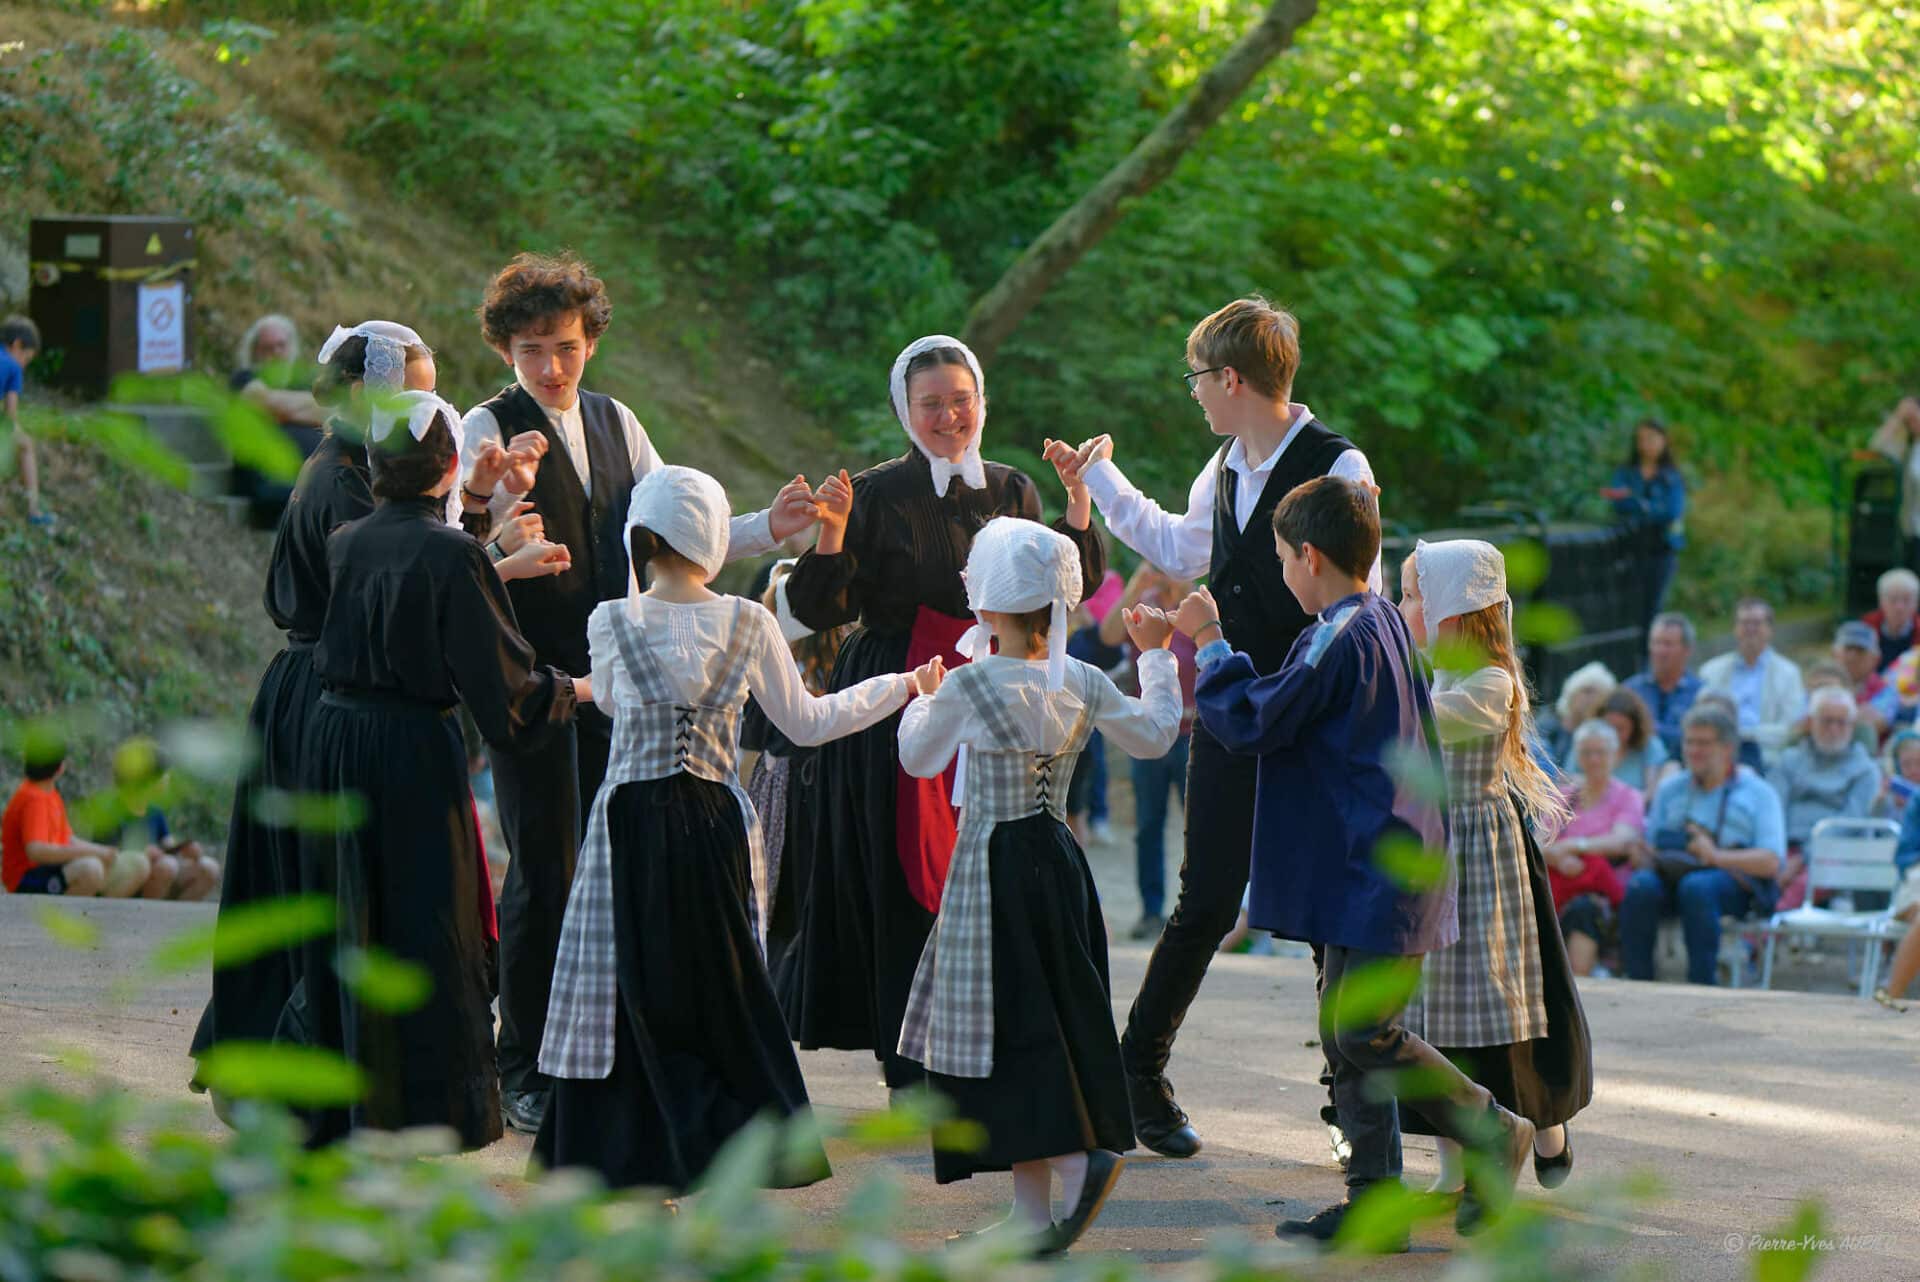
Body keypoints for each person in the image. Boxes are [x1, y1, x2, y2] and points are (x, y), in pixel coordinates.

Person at [461, 253, 818, 1135]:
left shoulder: (619, 420)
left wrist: (763, 529)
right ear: (506, 348)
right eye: (532, 347)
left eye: (566, 346)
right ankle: (524, 1064)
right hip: (535, 681)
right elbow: (450, 546)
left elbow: (673, 536)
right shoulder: (484, 426)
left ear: (591, 342)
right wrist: (497, 528)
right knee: (543, 868)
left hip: (628, 689)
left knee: (607, 869)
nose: (551, 365)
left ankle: (605, 1056)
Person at [1043, 296, 1378, 1160]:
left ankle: (1350, 1109)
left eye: (1197, 377)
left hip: (1311, 718)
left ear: (1231, 378)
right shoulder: (1222, 468)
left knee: (1327, 911)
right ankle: (1138, 1071)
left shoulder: (1339, 465)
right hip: (1232, 709)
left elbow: (1355, 601)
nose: (1192, 393)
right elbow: (1182, 546)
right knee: (1205, 902)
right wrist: (1097, 480)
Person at [534, 467, 927, 1193]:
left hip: (632, 820)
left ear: (639, 537)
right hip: (713, 818)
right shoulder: (749, 621)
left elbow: (616, 704)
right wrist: (900, 686)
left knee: (630, 988)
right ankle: (729, 1151)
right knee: (724, 988)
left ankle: (630, 1162)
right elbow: (810, 722)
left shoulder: (611, 619)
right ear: (714, 538)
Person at [189, 321, 556, 1082]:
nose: (428, 410)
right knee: (332, 889)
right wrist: (498, 565)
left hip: (325, 686)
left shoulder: (354, 464)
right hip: (326, 695)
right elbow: (392, 579)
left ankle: (300, 1057)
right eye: (417, 394)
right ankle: (297, 1058)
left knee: (331, 885)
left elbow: (418, 545)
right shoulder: (343, 477)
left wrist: (483, 501)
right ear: (366, 393)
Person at [1176, 477, 1536, 1250]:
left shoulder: (1341, 634)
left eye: (1280, 558)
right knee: (1349, 1033)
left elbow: (1258, 717)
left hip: (1379, 866)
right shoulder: (1376, 621)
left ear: (1310, 556)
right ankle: (1374, 1202)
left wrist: (1209, 644)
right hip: (1363, 864)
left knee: (1362, 1029)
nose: (1279, 573)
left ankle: (1492, 1126)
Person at [780, 334, 1104, 1095]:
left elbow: (1067, 590)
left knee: (991, 865)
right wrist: (831, 533)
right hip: (902, 687)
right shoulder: (874, 492)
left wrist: (1078, 504)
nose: (949, 416)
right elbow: (815, 609)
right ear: (905, 410)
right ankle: (910, 1056)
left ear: (981, 402)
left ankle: (991, 1034)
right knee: (901, 875)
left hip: (998, 691)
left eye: (961, 400)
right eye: (931, 403)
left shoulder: (1016, 489)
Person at [294, 390, 585, 1151]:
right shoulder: (451, 552)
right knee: (428, 920)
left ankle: (333, 1103)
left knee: (352, 910)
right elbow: (504, 688)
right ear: (451, 467)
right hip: (410, 751)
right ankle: (424, 1113)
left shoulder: (349, 539)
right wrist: (573, 689)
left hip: (336, 740)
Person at [896, 517, 1181, 1254]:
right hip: (1056, 861)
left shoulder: (969, 682)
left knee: (1005, 1029)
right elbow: (1153, 736)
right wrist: (1156, 661)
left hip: (991, 865)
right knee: (1045, 1020)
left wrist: (923, 699)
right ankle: (1029, 1211)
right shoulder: (1080, 679)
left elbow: (920, 759)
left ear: (987, 604)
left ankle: (1074, 1160)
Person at [1397, 539, 1592, 1233]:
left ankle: (1540, 1128)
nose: (1402, 608)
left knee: (1502, 1008)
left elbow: (1418, 725)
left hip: (1484, 859)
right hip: (1438, 856)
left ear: (1451, 609)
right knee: (1436, 1018)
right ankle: (1453, 1172)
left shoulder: (1487, 683)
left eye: (1413, 597)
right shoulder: (1428, 671)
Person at [1618, 705, 1785, 985]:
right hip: (1673, 873)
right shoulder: (1671, 789)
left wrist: (1716, 856)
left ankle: (1702, 986)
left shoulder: (1758, 792)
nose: (1694, 750)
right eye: (1689, 742)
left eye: (1704, 743)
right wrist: (1641, 854)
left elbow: (1770, 862)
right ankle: (1638, 983)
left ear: (1728, 748)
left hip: (1731, 882)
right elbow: (1653, 844)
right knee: (1640, 886)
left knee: (1697, 888)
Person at [1098, 562, 1199, 940]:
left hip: (1195, 735)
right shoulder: (1146, 606)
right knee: (1148, 827)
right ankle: (1151, 911)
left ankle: (1195, 909)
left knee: (1200, 827)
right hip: (1154, 733)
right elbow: (1107, 635)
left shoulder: (1198, 608)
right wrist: (1136, 585)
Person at [1768, 687, 1881, 911]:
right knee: (1761, 869)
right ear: (1811, 723)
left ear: (1853, 726)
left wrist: (1803, 857)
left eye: (1842, 723)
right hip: (1784, 846)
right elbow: (1773, 810)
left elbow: (1851, 821)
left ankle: (1763, 937)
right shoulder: (1788, 760)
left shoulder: (1866, 770)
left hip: (1836, 852)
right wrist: (1778, 853)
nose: (1834, 729)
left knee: (1805, 882)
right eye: (1827, 721)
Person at [1545, 721, 1642, 977]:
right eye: (1587, 752)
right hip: (1559, 879)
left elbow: (1621, 841)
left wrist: (1572, 847)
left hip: (1604, 890)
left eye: (1601, 752)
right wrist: (1556, 858)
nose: (1594, 759)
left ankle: (1581, 983)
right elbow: (1537, 842)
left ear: (1614, 755)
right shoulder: (1564, 797)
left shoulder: (1627, 796)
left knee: (1583, 909)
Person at [4, 738, 151, 897]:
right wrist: (92, 853)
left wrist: (100, 851)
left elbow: (67, 838)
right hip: (28, 878)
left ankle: (98, 912)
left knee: (137, 862)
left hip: (53, 869)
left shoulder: (50, 795)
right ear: (61, 768)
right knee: (90, 868)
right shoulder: (33, 798)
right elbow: (36, 851)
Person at [229, 314, 328, 525]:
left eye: (281, 346)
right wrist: (307, 407)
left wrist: (282, 408)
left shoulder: (304, 382)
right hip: (271, 485)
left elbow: (330, 411)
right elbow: (260, 400)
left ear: (290, 348)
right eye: (267, 348)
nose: (276, 354)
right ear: (255, 352)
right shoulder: (244, 379)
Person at [1699, 597, 1806, 767]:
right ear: (1735, 629)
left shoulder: (1789, 674)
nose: (1750, 629)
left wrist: (1745, 735)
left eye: (1756, 623)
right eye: (1744, 623)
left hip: (1768, 757)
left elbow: (1791, 729)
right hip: (1717, 755)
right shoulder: (1711, 671)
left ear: (1770, 629)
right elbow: (1701, 720)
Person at [1602, 416, 1686, 624]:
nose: (1645, 444)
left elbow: (1672, 511)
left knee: (1652, 609)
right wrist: (1647, 506)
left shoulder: (1672, 476)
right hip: (1629, 550)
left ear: (1663, 440)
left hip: (1661, 551)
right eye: (1641, 439)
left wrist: (1641, 505)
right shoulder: (1626, 472)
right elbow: (1619, 502)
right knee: (1626, 608)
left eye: (1651, 438)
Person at [1622, 612, 1703, 760]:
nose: (1660, 651)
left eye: (1667, 644)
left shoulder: (1701, 694)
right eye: (1656, 643)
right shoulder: (1630, 690)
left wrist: (1651, 729)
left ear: (1687, 650)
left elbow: (1699, 741)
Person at [1, 315, 50, 526]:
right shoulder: (12, 367)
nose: (24, 365)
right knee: (25, 446)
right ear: (17, 346)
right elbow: (10, 414)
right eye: (27, 358)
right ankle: (34, 510)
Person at [1578, 687, 1671, 797]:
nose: (1613, 734)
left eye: (1620, 728)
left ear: (1634, 728)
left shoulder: (1650, 747)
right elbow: (1567, 782)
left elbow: (1650, 794)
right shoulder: (1585, 742)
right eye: (1608, 727)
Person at [1867, 397, 1920, 572]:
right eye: (1909, 420)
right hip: (1913, 532)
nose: (1912, 423)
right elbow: (1877, 448)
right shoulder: (1909, 449)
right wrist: (1898, 416)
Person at [1827, 622, 1902, 741]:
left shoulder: (1886, 690)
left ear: (1876, 659)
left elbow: (1874, 725)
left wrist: (1825, 717)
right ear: (1834, 654)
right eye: (1848, 648)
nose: (1852, 656)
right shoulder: (1819, 684)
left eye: (1860, 650)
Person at [1538, 662, 1617, 767]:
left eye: (1599, 694)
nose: (1592, 699)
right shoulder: (1546, 726)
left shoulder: (1602, 734)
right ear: (1572, 692)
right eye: (1587, 691)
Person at [1861, 568, 1920, 675]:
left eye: (1906, 600)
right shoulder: (1865, 628)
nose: (1899, 607)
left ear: (1916, 603)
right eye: (1893, 600)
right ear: (1881, 601)